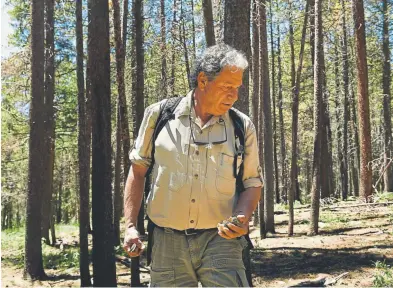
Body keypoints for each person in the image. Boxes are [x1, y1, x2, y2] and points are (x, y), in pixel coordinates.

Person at [123, 44, 263, 287]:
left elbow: (252, 182)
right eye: (226, 87)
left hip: (222, 241)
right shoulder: (159, 115)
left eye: (237, 88)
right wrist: (130, 227)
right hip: (167, 244)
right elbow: (138, 171)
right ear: (202, 80)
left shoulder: (242, 126)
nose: (234, 95)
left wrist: (242, 217)